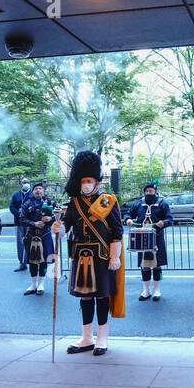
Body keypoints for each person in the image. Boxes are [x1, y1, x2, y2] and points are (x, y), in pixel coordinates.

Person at [53, 150, 124, 355]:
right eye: (83, 180)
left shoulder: (107, 201)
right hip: (81, 254)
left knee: (102, 297)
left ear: (96, 182)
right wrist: (59, 228)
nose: (86, 184)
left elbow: (117, 230)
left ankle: (102, 338)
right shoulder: (74, 203)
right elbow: (67, 225)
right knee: (85, 298)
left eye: (89, 180)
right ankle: (87, 337)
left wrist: (114, 256)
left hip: (102, 256)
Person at [125, 180, 171, 301]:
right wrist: (128, 220)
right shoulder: (138, 204)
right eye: (146, 191)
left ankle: (156, 290)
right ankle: (146, 290)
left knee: (156, 265)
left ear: (155, 191)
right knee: (144, 265)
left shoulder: (162, 203)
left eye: (151, 191)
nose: (148, 193)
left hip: (157, 237)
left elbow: (170, 219)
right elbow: (128, 214)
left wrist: (163, 223)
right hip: (142, 238)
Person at [20, 182, 57, 296]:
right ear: (33, 191)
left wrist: (50, 218)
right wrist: (34, 223)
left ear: (43, 191)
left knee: (44, 260)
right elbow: (21, 219)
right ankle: (33, 284)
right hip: (32, 235)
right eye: (36, 188)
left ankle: (41, 284)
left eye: (40, 188)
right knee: (32, 261)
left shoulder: (50, 203)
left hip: (45, 235)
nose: (38, 190)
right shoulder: (27, 203)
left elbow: (59, 216)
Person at [9, 176, 32, 272]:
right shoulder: (16, 195)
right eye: (24, 182)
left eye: (27, 182)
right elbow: (11, 207)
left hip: (29, 222)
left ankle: (31, 262)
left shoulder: (32, 194)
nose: (25, 183)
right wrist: (18, 213)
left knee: (31, 242)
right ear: (21, 184)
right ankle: (22, 263)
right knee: (20, 242)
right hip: (18, 222)